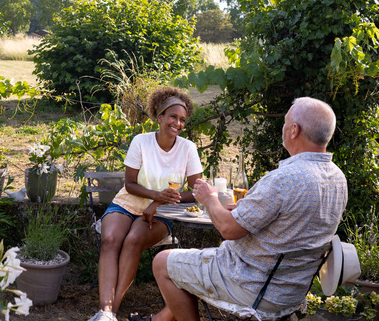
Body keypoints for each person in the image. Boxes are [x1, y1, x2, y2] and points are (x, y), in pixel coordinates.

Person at [145, 97, 348, 321]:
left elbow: (228, 230)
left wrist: (210, 199)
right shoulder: (338, 178)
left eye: (285, 122)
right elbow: (289, 225)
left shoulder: (283, 179)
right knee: (190, 269)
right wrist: (245, 209)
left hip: (251, 286)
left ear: (294, 130)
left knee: (162, 262)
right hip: (291, 292)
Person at [88, 87, 203, 321]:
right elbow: (130, 184)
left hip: (163, 211)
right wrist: (156, 195)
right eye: (173, 117)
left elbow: (198, 191)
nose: (178, 123)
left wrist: (160, 202)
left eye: (182, 120)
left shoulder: (188, 148)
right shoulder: (141, 142)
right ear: (160, 118)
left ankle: (110, 311)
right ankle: (105, 313)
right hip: (127, 202)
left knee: (132, 241)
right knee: (110, 239)